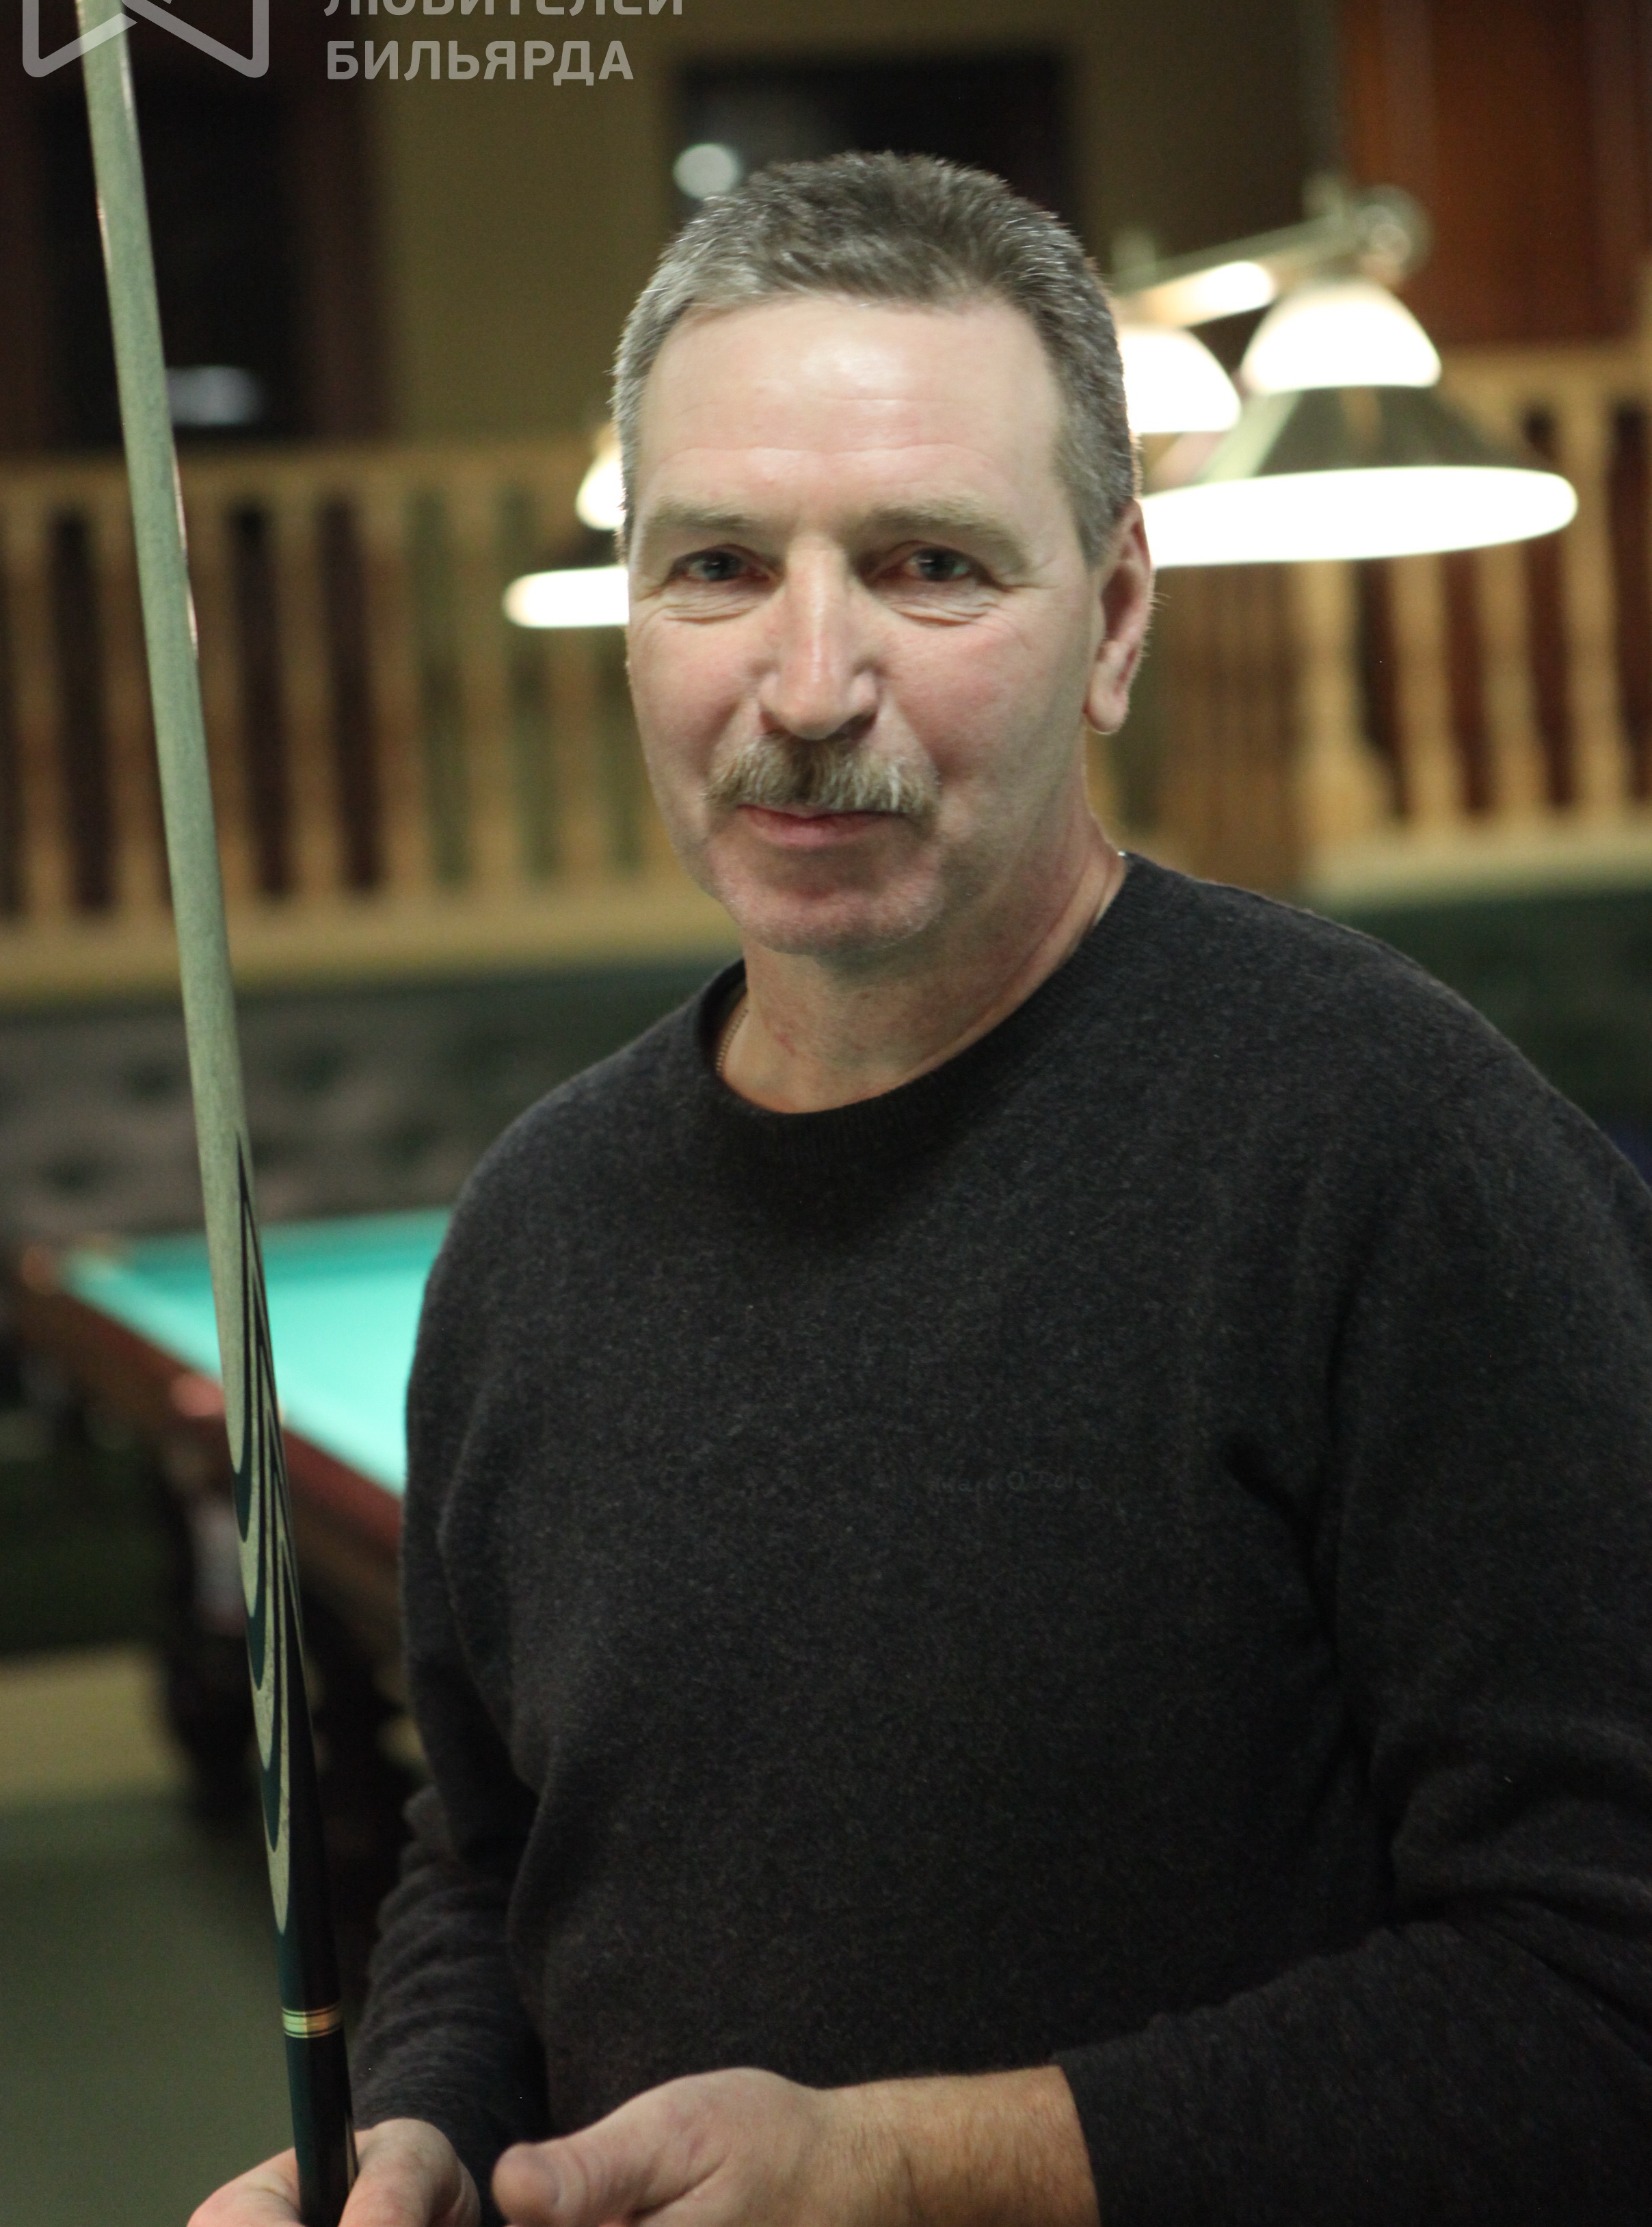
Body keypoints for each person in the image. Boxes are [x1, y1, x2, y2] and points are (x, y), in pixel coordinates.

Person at [196, 155, 1652, 2227]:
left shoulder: (1404, 1157)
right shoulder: (532, 1230)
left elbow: (1603, 1997)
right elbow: (493, 1863)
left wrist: (921, 2166)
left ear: (1116, 619)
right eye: (717, 567)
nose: (806, 686)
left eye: (929, 566)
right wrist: (419, 2130)